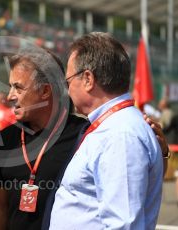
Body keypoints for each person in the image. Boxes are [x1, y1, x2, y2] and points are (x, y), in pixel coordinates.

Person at [48, 32, 163, 229]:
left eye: (68, 81)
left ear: (87, 79)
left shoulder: (120, 135)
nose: (67, 90)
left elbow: (124, 225)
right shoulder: (114, 128)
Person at [0, 48, 87, 230]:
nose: (10, 96)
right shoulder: (5, 139)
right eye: (10, 87)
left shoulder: (82, 135)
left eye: (18, 87)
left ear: (45, 91)